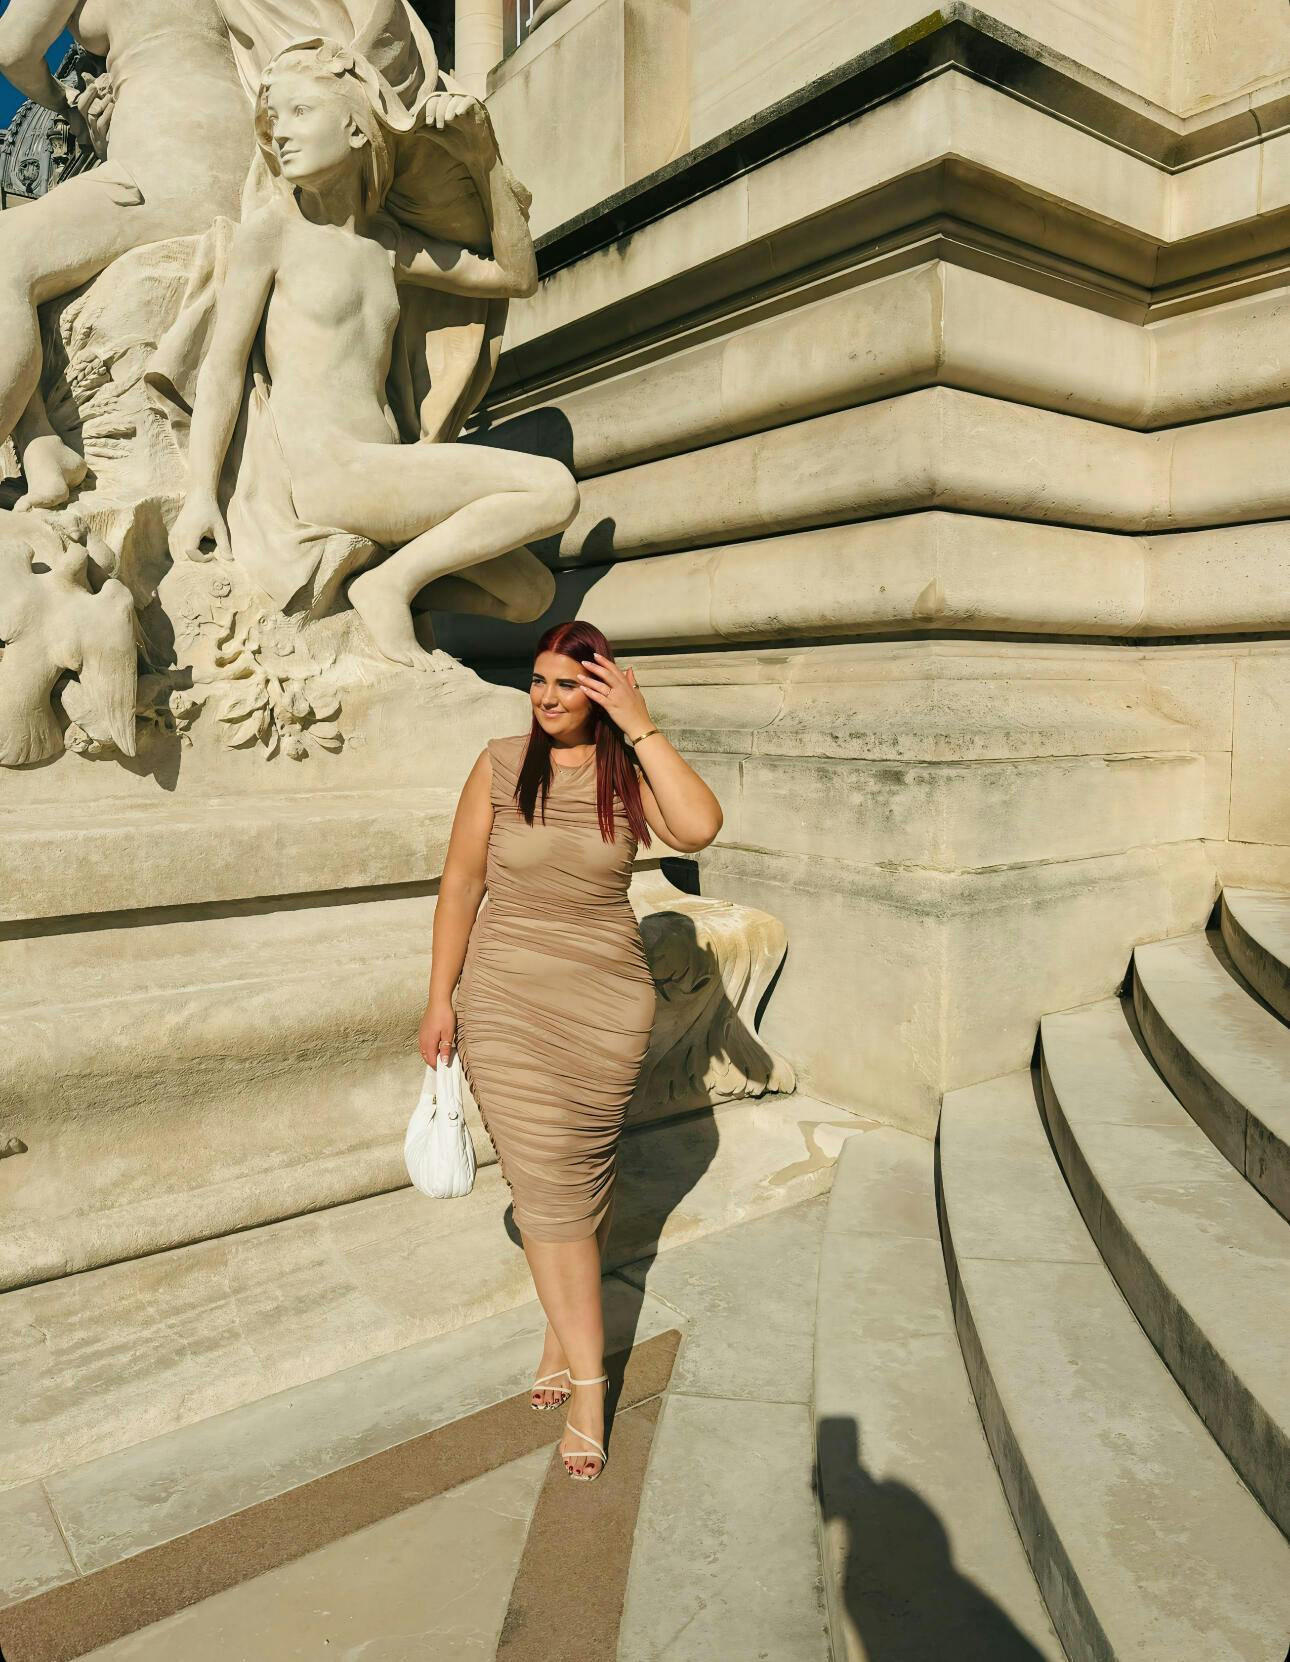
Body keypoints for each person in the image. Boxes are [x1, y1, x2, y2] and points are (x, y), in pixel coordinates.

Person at [420, 621, 724, 1480]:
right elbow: (461, 884)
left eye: (567, 684)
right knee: (545, 1185)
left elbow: (699, 827)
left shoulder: (625, 773)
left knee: (578, 1180)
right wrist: (439, 997)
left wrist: (639, 722)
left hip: (604, 1005)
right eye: (539, 681)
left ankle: (563, 1337)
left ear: (599, 691)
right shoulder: (498, 764)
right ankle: (593, 1388)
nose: (547, 698)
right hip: (505, 999)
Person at [167, 36, 574, 665]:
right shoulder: (272, 233)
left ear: (357, 130)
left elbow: (516, 277)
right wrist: (200, 493)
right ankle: (389, 585)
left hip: (385, 471)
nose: (280, 133)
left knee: (530, 594)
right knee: (552, 489)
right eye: (274, 119)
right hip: (329, 472)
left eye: (301, 112)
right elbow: (221, 369)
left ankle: (376, 580)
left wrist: (484, 157)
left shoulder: (387, 246)